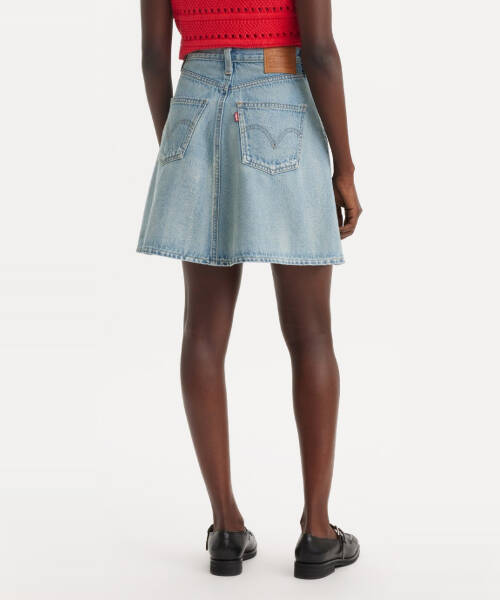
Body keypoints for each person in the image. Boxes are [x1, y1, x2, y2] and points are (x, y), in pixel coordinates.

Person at [138, 0, 362, 579]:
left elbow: (153, 59)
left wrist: (176, 145)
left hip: (192, 103)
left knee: (202, 332)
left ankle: (226, 527)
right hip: (280, 97)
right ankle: (318, 533)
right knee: (311, 334)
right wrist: (344, 169)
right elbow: (320, 52)